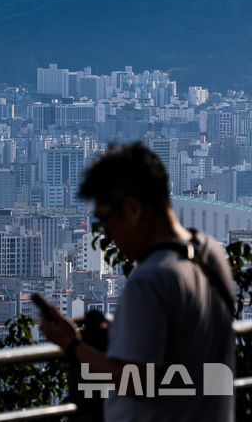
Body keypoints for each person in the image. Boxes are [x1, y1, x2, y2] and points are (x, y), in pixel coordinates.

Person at [39, 143, 235, 422]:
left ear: (132, 209)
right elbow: (185, 344)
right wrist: (123, 334)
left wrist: (72, 345)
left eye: (107, 223)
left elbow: (138, 382)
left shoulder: (150, 280)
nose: (109, 237)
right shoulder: (211, 254)